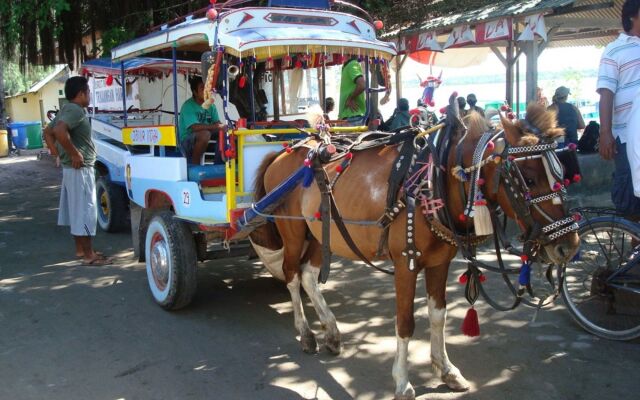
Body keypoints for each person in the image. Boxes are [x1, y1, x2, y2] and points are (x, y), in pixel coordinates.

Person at [42, 76, 111, 265]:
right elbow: (59, 131)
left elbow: (48, 132)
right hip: (81, 168)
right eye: (88, 92)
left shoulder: (65, 109)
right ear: (81, 94)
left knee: (76, 211)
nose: (89, 96)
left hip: (71, 169)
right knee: (86, 211)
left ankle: (81, 250)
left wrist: (57, 153)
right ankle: (89, 255)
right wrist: (74, 154)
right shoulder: (76, 111)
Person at [598, 0, 640, 215]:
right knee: (629, 193)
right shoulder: (614, 49)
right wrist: (605, 133)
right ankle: (634, 243)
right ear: (632, 16)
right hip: (625, 136)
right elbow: (606, 92)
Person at [179, 77, 226, 165]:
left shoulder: (211, 106)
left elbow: (217, 123)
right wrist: (215, 126)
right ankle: (195, 166)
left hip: (205, 137)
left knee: (225, 131)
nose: (206, 91)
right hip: (187, 141)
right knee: (205, 134)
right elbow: (194, 127)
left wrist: (222, 126)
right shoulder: (188, 106)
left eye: (207, 87)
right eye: (202, 88)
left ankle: (218, 164)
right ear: (194, 92)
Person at [338, 56, 366, 125]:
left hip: (353, 117)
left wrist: (350, 99)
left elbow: (362, 85)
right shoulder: (347, 66)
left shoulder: (352, 64)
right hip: (350, 116)